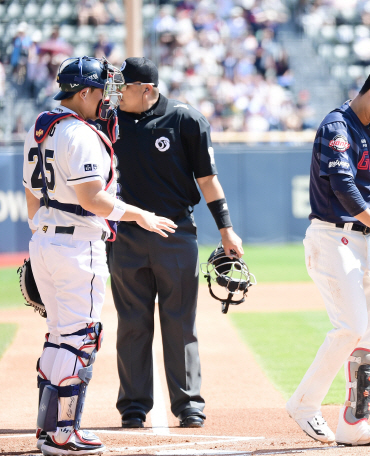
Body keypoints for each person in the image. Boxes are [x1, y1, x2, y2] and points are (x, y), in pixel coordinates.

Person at [23, 56, 176, 456]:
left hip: (44, 239)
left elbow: (31, 202)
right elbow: (93, 199)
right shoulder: (80, 133)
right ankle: (63, 433)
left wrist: (46, 240)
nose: (108, 98)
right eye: (102, 90)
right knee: (81, 337)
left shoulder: (40, 129)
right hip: (77, 246)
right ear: (85, 91)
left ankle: (47, 429)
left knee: (59, 336)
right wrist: (140, 214)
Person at [103, 57, 244, 429]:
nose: (116, 92)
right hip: (126, 234)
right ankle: (133, 406)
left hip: (176, 232)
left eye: (124, 86)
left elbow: (208, 180)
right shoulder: (107, 120)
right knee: (132, 323)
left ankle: (188, 404)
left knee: (180, 322)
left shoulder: (186, 119)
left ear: (146, 89)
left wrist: (226, 229)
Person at [285, 63, 370, 446]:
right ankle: (304, 405)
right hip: (332, 238)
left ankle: (354, 423)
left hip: (362, 242)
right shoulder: (337, 126)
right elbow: (343, 185)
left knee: (369, 333)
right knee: (350, 326)